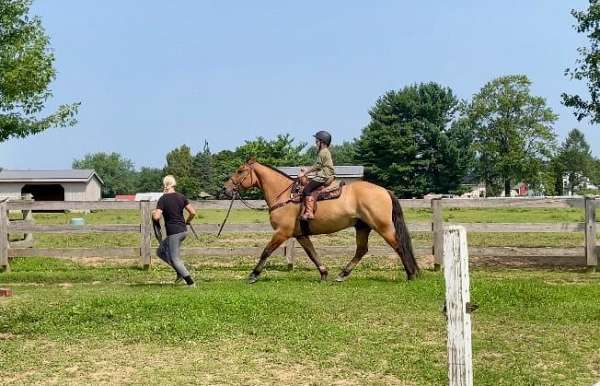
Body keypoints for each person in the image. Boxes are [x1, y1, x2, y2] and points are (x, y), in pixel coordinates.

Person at [152, 175, 196, 287]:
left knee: (175, 259)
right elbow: (193, 212)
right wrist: (187, 221)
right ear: (174, 184)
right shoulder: (181, 197)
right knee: (160, 251)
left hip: (174, 233)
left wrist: (153, 214)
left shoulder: (163, 199)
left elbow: (157, 217)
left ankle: (190, 283)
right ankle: (180, 271)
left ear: (165, 185)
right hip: (183, 231)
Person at [298, 130, 335, 220]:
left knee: (306, 189)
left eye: (317, 141)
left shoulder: (323, 152)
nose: (315, 143)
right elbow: (319, 167)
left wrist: (304, 173)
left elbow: (317, 166)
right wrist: (307, 170)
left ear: (322, 142)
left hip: (324, 176)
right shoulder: (325, 151)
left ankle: (309, 213)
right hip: (325, 174)